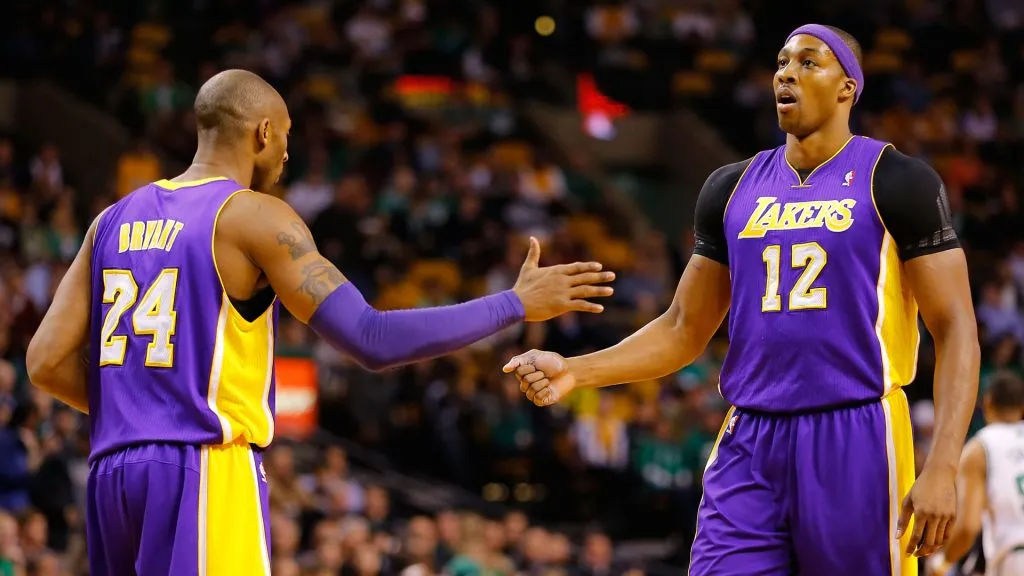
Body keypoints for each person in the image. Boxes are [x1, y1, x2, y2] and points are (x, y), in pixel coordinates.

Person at [24, 69, 615, 576]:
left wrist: (142, 410)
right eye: (285, 137)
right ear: (261, 133)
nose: (286, 154)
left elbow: (45, 362)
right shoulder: (253, 218)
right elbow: (371, 338)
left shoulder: (109, 221)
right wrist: (513, 304)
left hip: (110, 472)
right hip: (203, 469)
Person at [504, 24, 980, 575]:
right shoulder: (731, 187)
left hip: (856, 432)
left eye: (808, 63)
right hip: (750, 435)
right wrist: (575, 371)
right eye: (781, 62)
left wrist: (943, 462)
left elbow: (956, 329)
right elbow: (683, 326)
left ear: (848, 88)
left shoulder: (897, 181)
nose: (786, 73)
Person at [928, 371, 1024, 576]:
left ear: (987, 403)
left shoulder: (980, 448)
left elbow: (968, 527)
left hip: (1015, 557)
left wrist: (943, 563)